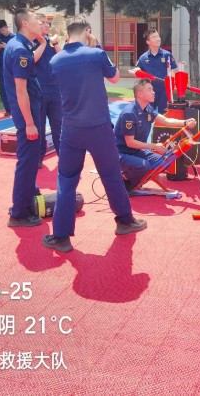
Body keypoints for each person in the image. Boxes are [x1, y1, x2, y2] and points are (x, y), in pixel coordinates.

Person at [42, 19, 147, 253]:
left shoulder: (56, 60)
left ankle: (61, 236)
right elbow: (115, 77)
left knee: (66, 180)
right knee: (111, 175)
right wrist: (96, 46)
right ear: (87, 31)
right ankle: (124, 221)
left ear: (68, 33)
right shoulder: (96, 54)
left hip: (71, 128)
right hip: (98, 127)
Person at [3, 9, 46, 227]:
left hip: (30, 110)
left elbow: (31, 63)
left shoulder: (21, 45)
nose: (41, 22)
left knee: (29, 159)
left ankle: (27, 199)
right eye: (37, 19)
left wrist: (42, 42)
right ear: (25, 24)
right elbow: (21, 90)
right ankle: (19, 213)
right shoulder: (19, 49)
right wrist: (29, 123)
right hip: (26, 114)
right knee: (28, 161)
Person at [116, 79, 196, 189]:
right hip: (121, 153)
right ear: (139, 94)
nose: (153, 92)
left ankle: (135, 179)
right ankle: (126, 184)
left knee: (166, 160)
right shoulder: (129, 114)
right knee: (143, 165)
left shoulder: (147, 109)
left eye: (152, 89)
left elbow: (166, 121)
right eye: (149, 89)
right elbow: (130, 143)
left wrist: (185, 123)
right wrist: (154, 146)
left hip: (136, 151)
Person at [34, 16, 62, 164]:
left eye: (47, 23)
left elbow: (62, 59)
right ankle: (38, 157)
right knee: (39, 126)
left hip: (55, 90)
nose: (46, 25)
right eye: (42, 23)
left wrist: (55, 43)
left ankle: (63, 156)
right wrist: (43, 43)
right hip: (38, 91)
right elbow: (32, 59)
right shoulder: (32, 42)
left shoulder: (51, 42)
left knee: (58, 125)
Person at [132, 29, 176, 113]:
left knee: (164, 116)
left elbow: (172, 72)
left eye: (158, 36)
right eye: (154, 37)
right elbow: (137, 74)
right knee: (147, 115)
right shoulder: (143, 58)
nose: (158, 39)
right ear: (148, 42)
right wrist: (137, 71)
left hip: (164, 92)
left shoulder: (167, 55)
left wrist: (171, 88)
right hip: (149, 92)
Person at [0, 20, 14, 116]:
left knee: (12, 87)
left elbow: (15, 51)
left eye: (3, 29)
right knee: (3, 88)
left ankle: (15, 108)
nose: (2, 32)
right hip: (1, 66)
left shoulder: (14, 38)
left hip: (11, 66)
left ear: (6, 27)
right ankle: (8, 109)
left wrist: (6, 46)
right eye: (0, 30)